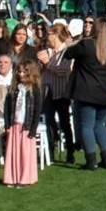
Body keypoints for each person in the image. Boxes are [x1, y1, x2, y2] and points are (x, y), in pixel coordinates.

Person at [63, 19, 106, 171]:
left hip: (87, 92)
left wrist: (72, 42)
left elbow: (68, 54)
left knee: (86, 126)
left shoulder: (86, 45)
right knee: (100, 124)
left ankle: (91, 161)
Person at [37, 24, 76, 165]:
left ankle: (70, 152)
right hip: (47, 91)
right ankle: (50, 151)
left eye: (50, 34)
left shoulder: (68, 52)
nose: (48, 37)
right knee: (48, 122)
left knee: (65, 123)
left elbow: (64, 71)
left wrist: (47, 63)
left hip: (62, 92)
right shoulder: (46, 51)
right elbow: (40, 72)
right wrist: (40, 65)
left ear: (56, 35)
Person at [2, 59, 44, 188]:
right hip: (15, 125)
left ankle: (25, 178)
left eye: (24, 72)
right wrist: (7, 125)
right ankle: (12, 177)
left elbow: (37, 111)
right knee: (13, 152)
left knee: (25, 153)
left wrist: (33, 129)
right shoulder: (13, 89)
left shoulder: (35, 90)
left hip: (26, 126)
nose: (20, 74)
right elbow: (7, 108)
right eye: (19, 71)